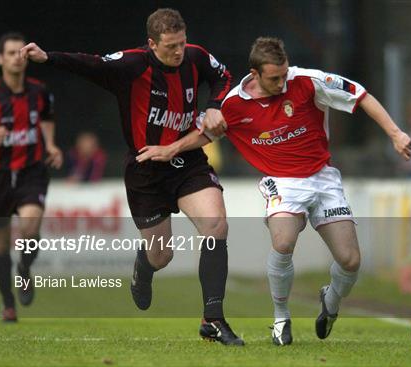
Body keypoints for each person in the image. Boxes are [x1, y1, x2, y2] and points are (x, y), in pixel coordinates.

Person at [137, 37, 411, 345]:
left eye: (284, 74)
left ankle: (331, 300)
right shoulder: (232, 104)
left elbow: (360, 95)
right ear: (254, 74)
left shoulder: (308, 81)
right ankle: (281, 317)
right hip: (282, 183)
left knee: (350, 261)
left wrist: (396, 133)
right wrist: (169, 149)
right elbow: (202, 135)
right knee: (283, 241)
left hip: (322, 178)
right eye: (274, 78)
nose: (282, 83)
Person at [20, 8, 244, 345]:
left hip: (187, 160)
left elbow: (225, 77)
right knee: (161, 255)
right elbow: (90, 63)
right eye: (170, 46)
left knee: (216, 225)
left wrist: (214, 104)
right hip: (145, 171)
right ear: (152, 44)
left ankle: (212, 319)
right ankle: (145, 264)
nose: (178, 51)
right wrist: (47, 57)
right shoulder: (132, 65)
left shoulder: (195, 56)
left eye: (181, 43)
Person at [0, 32, 63, 322]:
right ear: (0, 58)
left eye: (20, 53)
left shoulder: (39, 92)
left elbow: (47, 117)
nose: (16, 57)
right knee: (0, 247)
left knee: (29, 227)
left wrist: (50, 145)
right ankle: (7, 302)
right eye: (10, 53)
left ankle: (24, 269)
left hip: (31, 172)